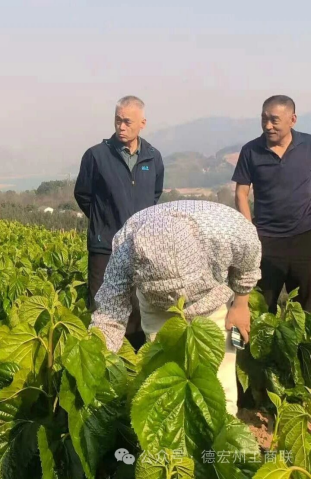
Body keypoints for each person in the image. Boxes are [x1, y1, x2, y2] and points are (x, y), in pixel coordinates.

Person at [90, 201, 262, 416]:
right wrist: (96, 359)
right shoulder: (127, 246)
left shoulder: (228, 231)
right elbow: (110, 313)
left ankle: (222, 425)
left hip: (212, 300)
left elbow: (248, 265)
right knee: (162, 376)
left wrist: (241, 304)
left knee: (219, 378)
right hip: (157, 308)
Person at [74, 96, 164, 342]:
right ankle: (105, 360)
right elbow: (83, 194)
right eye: (117, 121)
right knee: (103, 311)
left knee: (138, 310)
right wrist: (103, 219)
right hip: (105, 247)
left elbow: (154, 195)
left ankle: (133, 359)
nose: (121, 127)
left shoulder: (153, 157)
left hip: (139, 247)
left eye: (127, 122)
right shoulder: (96, 156)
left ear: (142, 123)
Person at [233, 95, 311, 313]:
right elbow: (241, 193)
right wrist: (249, 231)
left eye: (274, 120)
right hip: (265, 241)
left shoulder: (308, 145)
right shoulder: (251, 150)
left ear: (292, 120)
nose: (268, 126)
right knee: (261, 308)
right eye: (264, 119)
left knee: (306, 311)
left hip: (305, 239)